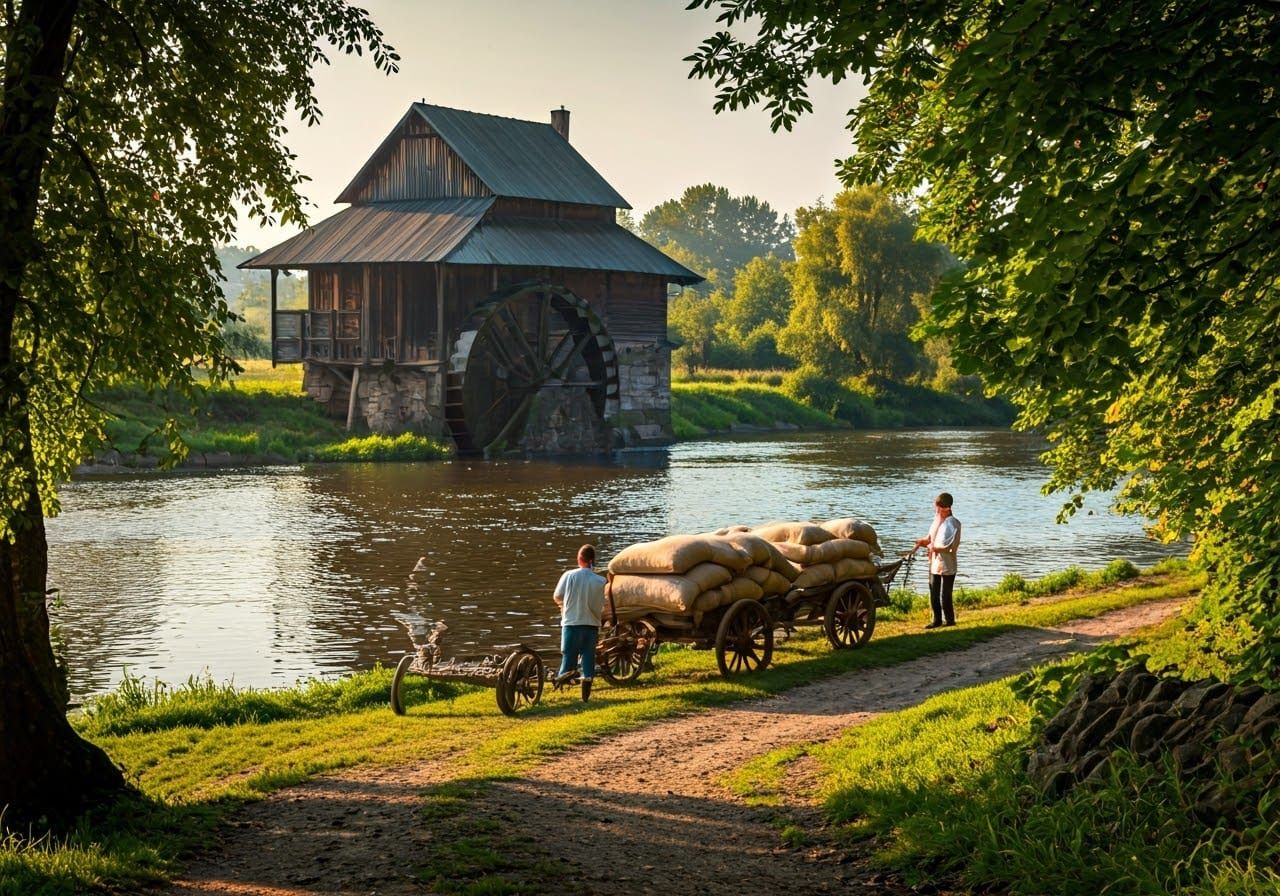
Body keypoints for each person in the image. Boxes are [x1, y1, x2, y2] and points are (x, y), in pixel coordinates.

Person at [553, 544, 606, 702]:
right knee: (588, 656)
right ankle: (587, 682)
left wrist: (564, 607)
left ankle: (563, 680)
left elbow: (557, 595)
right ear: (592, 561)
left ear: (579, 559)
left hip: (571, 623)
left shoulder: (569, 575)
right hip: (591, 625)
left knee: (568, 655)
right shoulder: (600, 580)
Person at [914, 492, 962, 629]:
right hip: (934, 562)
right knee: (934, 592)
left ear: (943, 507)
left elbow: (947, 547)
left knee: (945, 594)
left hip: (948, 562)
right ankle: (937, 620)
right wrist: (920, 542)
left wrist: (931, 546)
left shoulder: (953, 523)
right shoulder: (937, 521)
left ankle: (950, 620)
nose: (936, 510)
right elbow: (930, 538)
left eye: (937, 507)